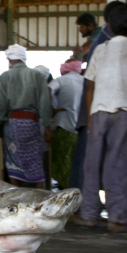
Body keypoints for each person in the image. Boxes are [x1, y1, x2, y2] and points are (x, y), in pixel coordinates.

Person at [79, 5, 127, 232]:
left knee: (92, 164)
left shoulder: (100, 49)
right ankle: (117, 219)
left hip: (98, 111)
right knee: (119, 164)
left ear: (107, 27)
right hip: (124, 111)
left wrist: (90, 117)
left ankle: (89, 215)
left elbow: (90, 85)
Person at [0, 44, 52, 189]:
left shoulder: (5, 77)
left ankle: (18, 201)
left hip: (12, 125)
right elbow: (45, 103)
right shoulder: (37, 76)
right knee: (36, 164)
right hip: (32, 124)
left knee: (14, 166)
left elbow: (0, 105)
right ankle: (42, 201)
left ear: (10, 60)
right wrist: (48, 127)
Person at [48, 59, 84, 189]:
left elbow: (48, 89)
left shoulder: (61, 80)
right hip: (82, 130)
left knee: (62, 162)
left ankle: (69, 191)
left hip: (63, 127)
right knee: (79, 162)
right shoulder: (85, 81)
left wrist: (51, 110)